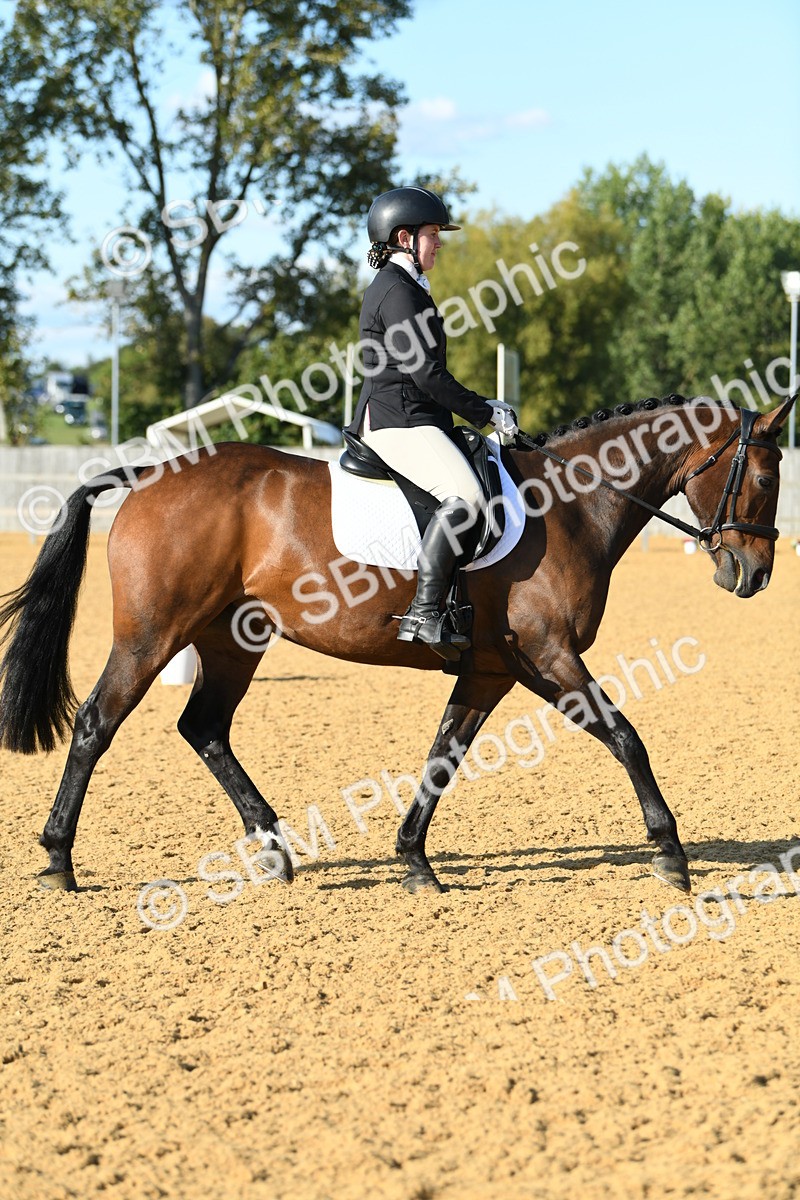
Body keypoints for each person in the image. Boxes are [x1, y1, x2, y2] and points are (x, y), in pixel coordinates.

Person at [345, 185, 518, 661]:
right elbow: (425, 374)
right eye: (433, 234)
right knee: (467, 498)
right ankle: (424, 611)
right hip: (399, 422)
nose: (439, 242)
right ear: (405, 238)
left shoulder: (407, 287)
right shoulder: (398, 292)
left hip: (414, 417)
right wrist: (485, 412)